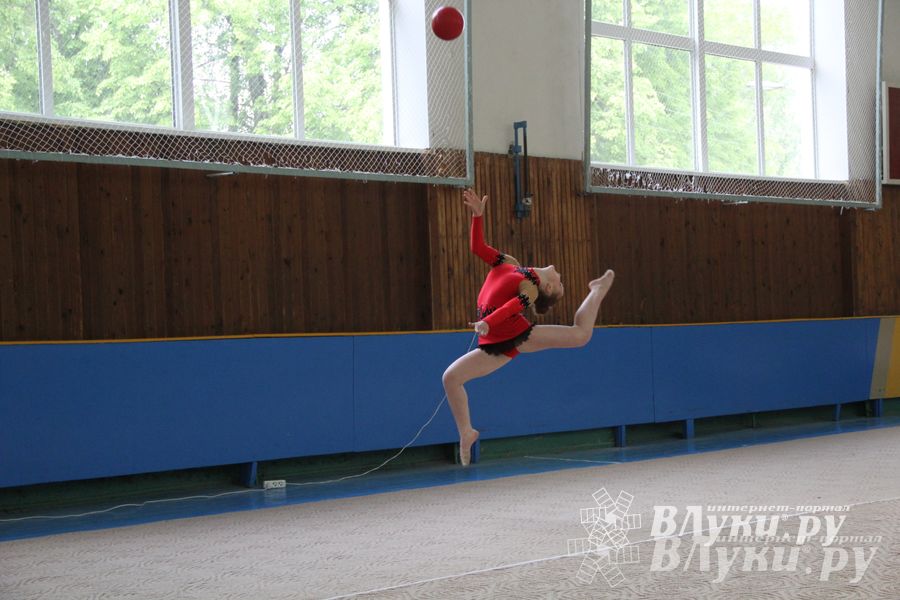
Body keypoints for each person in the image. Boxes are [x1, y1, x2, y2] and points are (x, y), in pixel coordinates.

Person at [442, 188, 615, 466]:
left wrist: (488, 321)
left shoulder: (530, 289)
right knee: (450, 378)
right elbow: (477, 248)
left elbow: (511, 308)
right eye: (562, 285)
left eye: (559, 286)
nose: (561, 279)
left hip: (512, 338)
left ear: (546, 287)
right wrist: (477, 217)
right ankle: (466, 432)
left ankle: (597, 291)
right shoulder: (510, 264)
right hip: (494, 342)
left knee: (581, 335)